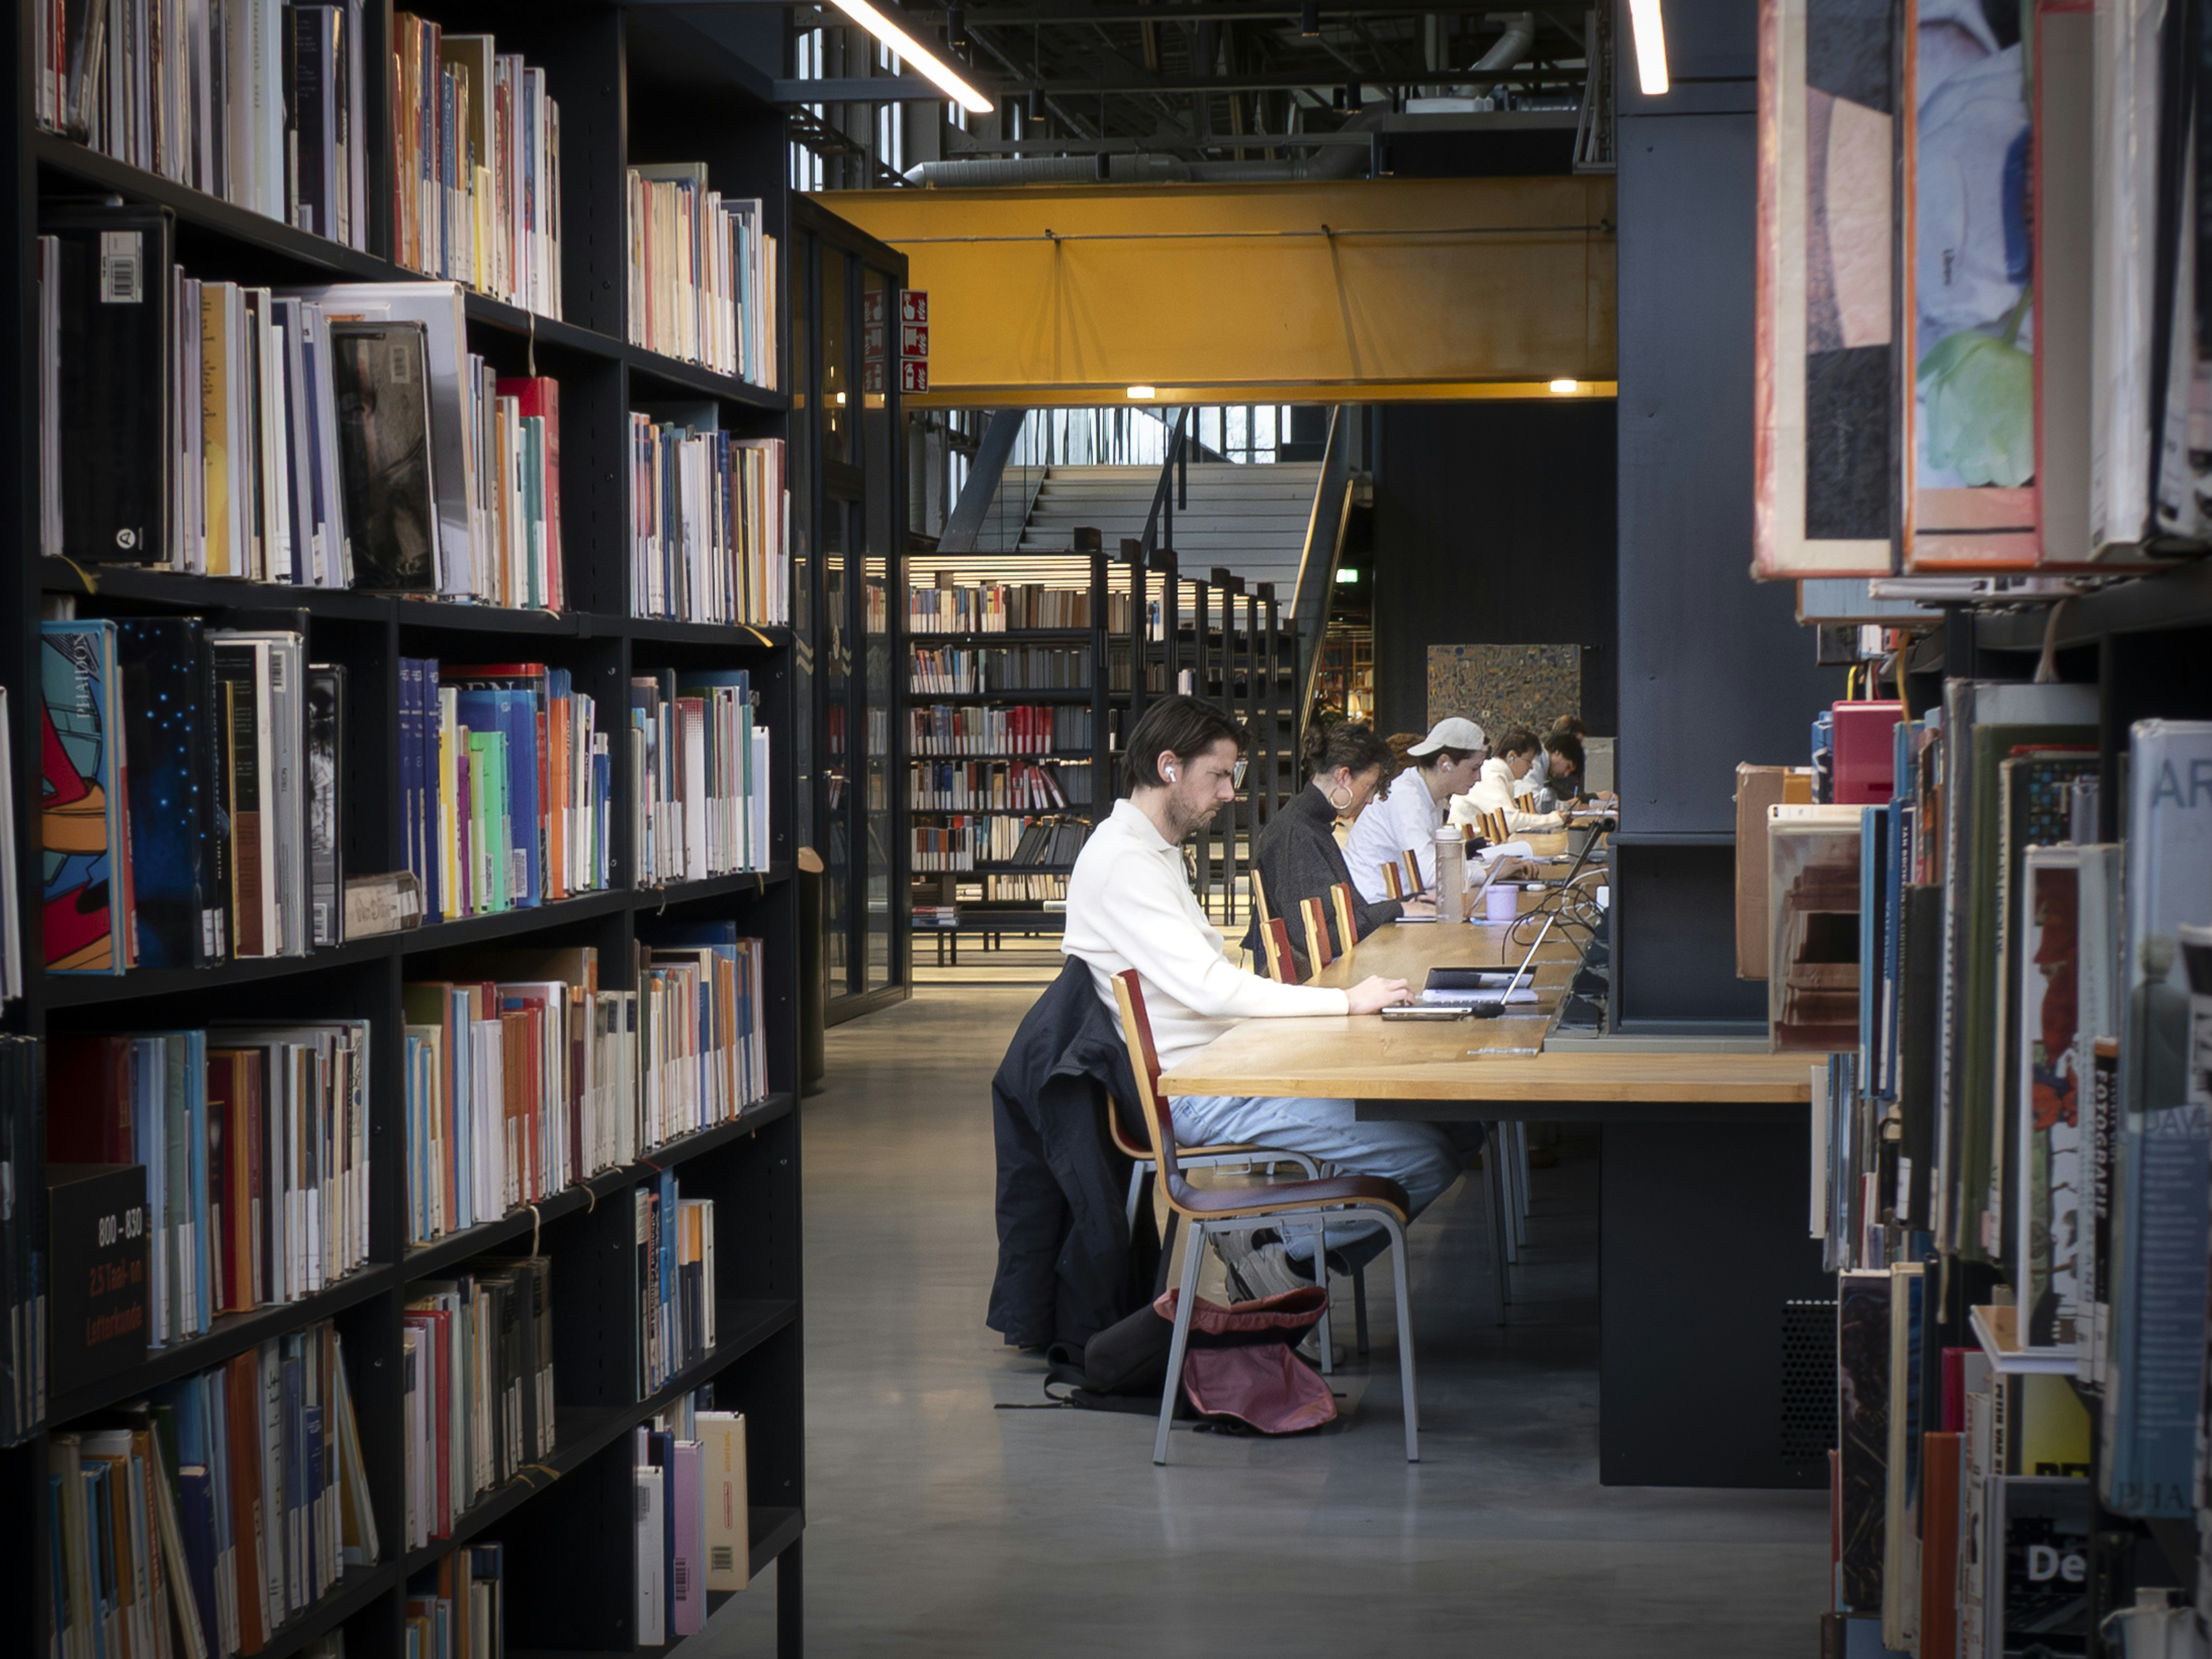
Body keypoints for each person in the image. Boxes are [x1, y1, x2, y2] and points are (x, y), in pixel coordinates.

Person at [1062, 695, 1480, 1301]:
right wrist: (1341, 1005)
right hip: (1194, 1090)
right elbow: (1211, 988)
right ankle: (1273, 1251)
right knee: (1426, 1157)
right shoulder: (1123, 861)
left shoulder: (1148, 851)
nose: (1231, 793)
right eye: (1220, 775)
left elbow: (1209, 984)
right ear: (1169, 767)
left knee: (1451, 1129)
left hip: (1223, 1063)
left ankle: (1278, 1258)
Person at [1245, 722, 1429, 971]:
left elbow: (1339, 921)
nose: (1370, 798)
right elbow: (1322, 939)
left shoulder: (1306, 823)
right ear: (1343, 777)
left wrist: (1407, 903)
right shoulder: (1297, 835)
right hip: (1316, 985)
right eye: (1370, 786)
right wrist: (1397, 907)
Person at [1344, 716, 1487, 905]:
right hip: (1377, 912)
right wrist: (1490, 872)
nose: (1479, 778)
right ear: (1445, 763)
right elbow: (1429, 873)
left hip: (1396, 903)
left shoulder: (1429, 794)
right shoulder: (1407, 796)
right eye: (1474, 769)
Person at [1453, 724, 1565, 834]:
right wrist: (1552, 819)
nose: (1531, 767)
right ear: (1512, 756)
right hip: (1469, 846)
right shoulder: (1491, 774)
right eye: (1529, 761)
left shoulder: (1502, 775)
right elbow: (1509, 821)